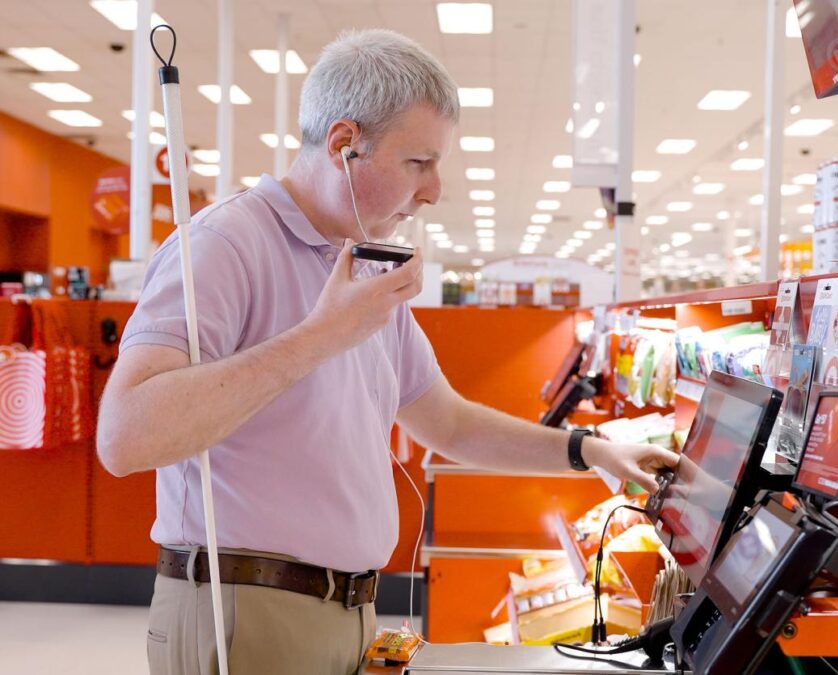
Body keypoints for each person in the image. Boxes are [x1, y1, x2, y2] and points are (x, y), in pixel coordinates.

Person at [96, 28, 679, 675]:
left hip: (349, 614)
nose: (434, 190)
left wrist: (588, 450)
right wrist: (320, 336)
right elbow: (126, 436)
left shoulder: (365, 271)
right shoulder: (223, 244)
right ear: (345, 144)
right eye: (418, 162)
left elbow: (448, 422)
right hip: (244, 613)